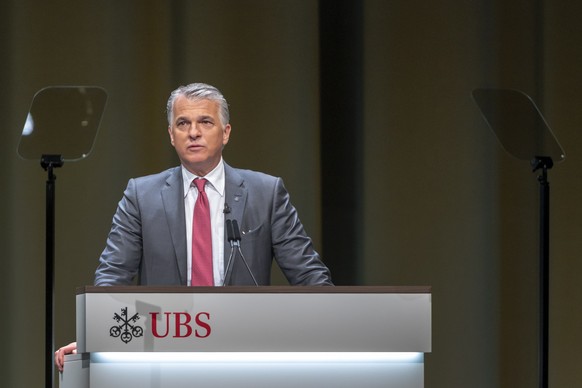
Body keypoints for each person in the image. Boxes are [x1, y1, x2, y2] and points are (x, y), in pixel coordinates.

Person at [55, 82, 333, 371]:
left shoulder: (266, 193)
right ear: (171, 136)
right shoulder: (141, 196)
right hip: (164, 354)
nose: (194, 132)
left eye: (205, 122)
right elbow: (113, 276)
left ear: (225, 133)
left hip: (246, 354)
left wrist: (341, 326)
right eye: (183, 123)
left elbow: (308, 275)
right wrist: (95, 335)